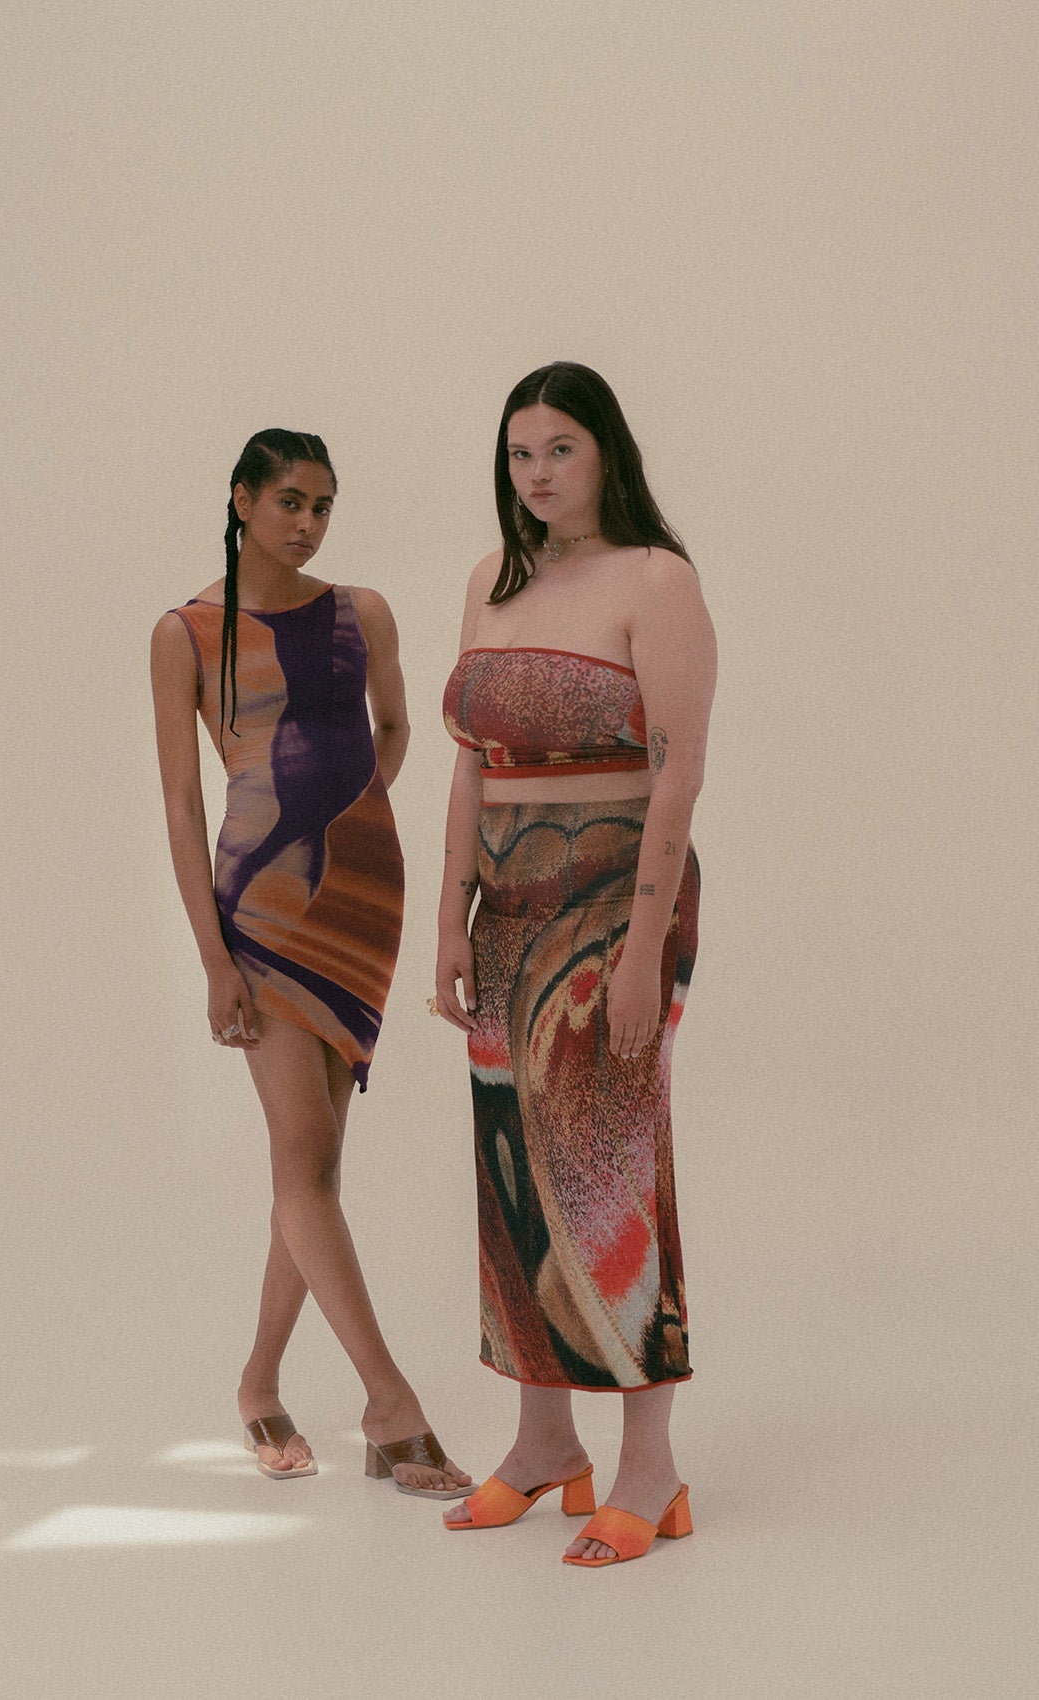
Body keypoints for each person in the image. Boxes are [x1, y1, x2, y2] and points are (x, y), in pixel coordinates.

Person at [151, 429, 470, 1497]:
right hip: (263, 907)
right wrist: (213, 957)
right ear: (242, 499)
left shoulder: (362, 612)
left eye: (324, 504)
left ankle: (258, 1382)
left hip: (364, 898)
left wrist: (349, 811)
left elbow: (396, 726)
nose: (309, 522)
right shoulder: (185, 633)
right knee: (309, 1163)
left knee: (313, 1168)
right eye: (290, 500)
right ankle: (390, 1405)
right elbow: (183, 804)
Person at [435, 365, 716, 1564]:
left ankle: (652, 1466)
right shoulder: (491, 582)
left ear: (606, 452)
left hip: (616, 900)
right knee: (513, 1171)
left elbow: (678, 770)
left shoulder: (657, 580)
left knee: (614, 1168)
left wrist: (646, 946)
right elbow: (469, 761)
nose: (538, 473)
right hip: (506, 905)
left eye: (560, 448)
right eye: (520, 453)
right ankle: (545, 1439)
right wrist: (449, 915)